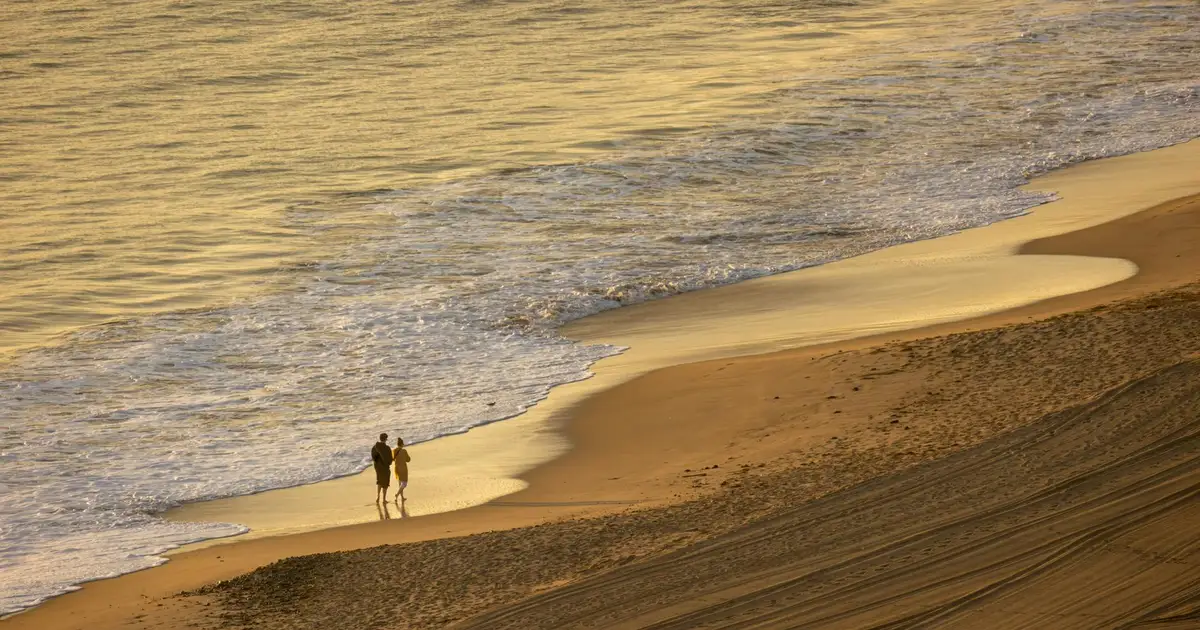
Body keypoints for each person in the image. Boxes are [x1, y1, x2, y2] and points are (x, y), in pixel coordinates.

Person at [371, 432, 393, 503]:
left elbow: (373, 457)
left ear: (380, 438)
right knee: (385, 483)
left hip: (377, 467)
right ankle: (384, 499)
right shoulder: (387, 448)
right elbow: (390, 460)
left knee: (379, 481)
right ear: (386, 439)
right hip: (385, 468)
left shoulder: (375, 447)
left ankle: (378, 497)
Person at [392, 437, 411, 502]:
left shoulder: (394, 451)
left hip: (397, 468)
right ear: (402, 444)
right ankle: (397, 494)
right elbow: (408, 460)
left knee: (400, 483)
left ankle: (401, 497)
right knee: (404, 484)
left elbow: (393, 459)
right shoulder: (404, 451)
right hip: (403, 468)